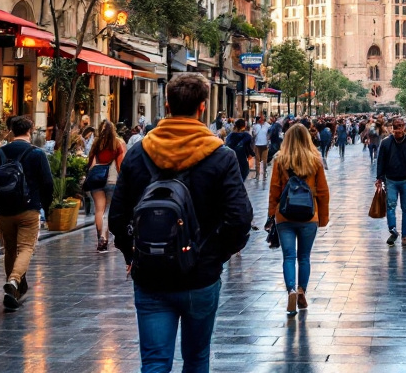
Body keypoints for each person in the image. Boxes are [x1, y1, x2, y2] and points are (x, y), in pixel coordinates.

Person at [110, 73, 252, 373]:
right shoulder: (221, 156)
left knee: (154, 362)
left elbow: (117, 217)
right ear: (202, 107)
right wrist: (214, 256)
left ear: (167, 105)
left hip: (150, 274)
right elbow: (239, 219)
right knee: (196, 359)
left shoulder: (137, 154)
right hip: (200, 276)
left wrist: (132, 254)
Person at [0, 115, 54, 310]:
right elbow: (47, 183)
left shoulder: (0, 153)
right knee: (26, 247)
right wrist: (46, 207)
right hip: (29, 208)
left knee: (9, 249)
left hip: (5, 210)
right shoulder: (37, 153)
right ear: (30, 131)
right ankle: (14, 281)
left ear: (11, 131)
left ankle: (13, 291)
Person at [267, 124, 330, 315]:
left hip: (285, 214)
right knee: (304, 257)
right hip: (309, 215)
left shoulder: (280, 159)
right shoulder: (315, 160)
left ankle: (291, 291)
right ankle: (302, 290)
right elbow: (323, 191)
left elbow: (274, 189)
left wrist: (271, 214)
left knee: (288, 256)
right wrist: (323, 217)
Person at [375, 117, 406, 246]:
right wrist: (379, 177)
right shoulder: (386, 143)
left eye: (400, 126)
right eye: (396, 127)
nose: (398, 130)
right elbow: (381, 161)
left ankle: (405, 236)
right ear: (392, 128)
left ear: (404, 128)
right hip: (391, 180)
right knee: (391, 206)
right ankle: (393, 230)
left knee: (405, 209)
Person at [85, 120, 125, 253]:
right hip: (111, 179)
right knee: (107, 210)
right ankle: (104, 236)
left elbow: (90, 162)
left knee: (99, 210)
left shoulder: (96, 143)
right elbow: (121, 164)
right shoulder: (117, 143)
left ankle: (101, 239)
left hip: (96, 178)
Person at [252, 115, 272, 182]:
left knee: (263, 160)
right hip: (258, 144)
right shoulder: (256, 126)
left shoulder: (267, 126)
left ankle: (262, 173)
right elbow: (254, 134)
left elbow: (270, 133)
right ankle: (258, 174)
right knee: (258, 160)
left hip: (263, 144)